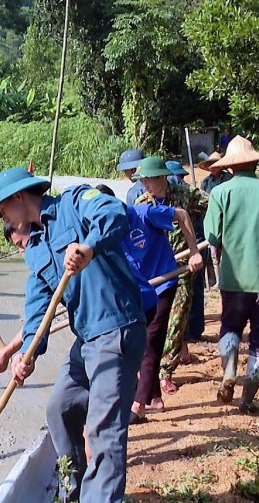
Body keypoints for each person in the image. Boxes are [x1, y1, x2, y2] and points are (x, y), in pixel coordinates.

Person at [0, 167, 149, 502]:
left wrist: (88, 247)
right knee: (60, 407)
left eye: (3, 209)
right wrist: (25, 354)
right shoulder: (36, 247)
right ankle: (69, 486)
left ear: (19, 197)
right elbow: (38, 309)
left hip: (117, 327)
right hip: (87, 338)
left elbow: (114, 212)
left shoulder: (74, 203)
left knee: (104, 432)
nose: (5, 217)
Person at [204, 136, 259, 414]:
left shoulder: (220, 193)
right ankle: (247, 399)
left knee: (231, 327)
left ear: (230, 167)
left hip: (234, 278)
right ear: (255, 163)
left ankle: (229, 370)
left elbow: (212, 235)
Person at [107, 174, 202, 421]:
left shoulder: (143, 213)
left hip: (163, 284)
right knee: (140, 342)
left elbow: (181, 214)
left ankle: (138, 405)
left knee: (151, 342)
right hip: (140, 291)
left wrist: (193, 252)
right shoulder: (107, 235)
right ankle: (155, 399)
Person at [134, 157, 208, 396]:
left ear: (162, 177)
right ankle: (148, 378)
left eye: (149, 179)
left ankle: (166, 373)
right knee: (153, 327)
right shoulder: (142, 203)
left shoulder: (186, 195)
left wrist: (198, 250)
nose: (145, 183)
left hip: (183, 268)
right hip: (156, 276)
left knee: (176, 322)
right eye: (142, 179)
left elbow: (213, 208)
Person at [198, 152, 232, 290]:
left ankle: (227, 277)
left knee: (227, 250)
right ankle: (217, 279)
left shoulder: (229, 178)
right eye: (209, 165)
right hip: (212, 217)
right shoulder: (206, 182)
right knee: (213, 251)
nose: (212, 167)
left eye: (214, 164)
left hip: (228, 217)